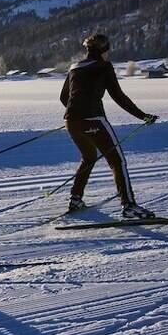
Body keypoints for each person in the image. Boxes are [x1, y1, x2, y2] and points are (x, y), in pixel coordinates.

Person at [59, 33, 159, 218]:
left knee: (88, 158)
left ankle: (75, 199)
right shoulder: (104, 67)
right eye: (107, 50)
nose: (109, 53)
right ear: (103, 50)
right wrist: (143, 116)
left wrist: (77, 114)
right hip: (93, 120)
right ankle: (128, 206)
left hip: (71, 121)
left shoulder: (74, 67)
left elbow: (64, 98)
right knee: (117, 161)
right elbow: (118, 96)